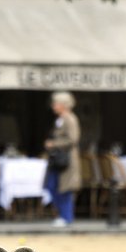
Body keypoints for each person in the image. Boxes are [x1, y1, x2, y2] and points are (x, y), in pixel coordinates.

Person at [45, 91, 81, 227]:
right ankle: (61, 215)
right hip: (57, 159)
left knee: (65, 188)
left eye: (56, 103)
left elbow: (73, 139)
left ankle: (66, 217)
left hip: (66, 159)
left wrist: (54, 144)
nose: (54, 106)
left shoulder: (70, 119)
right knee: (52, 185)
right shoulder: (60, 119)